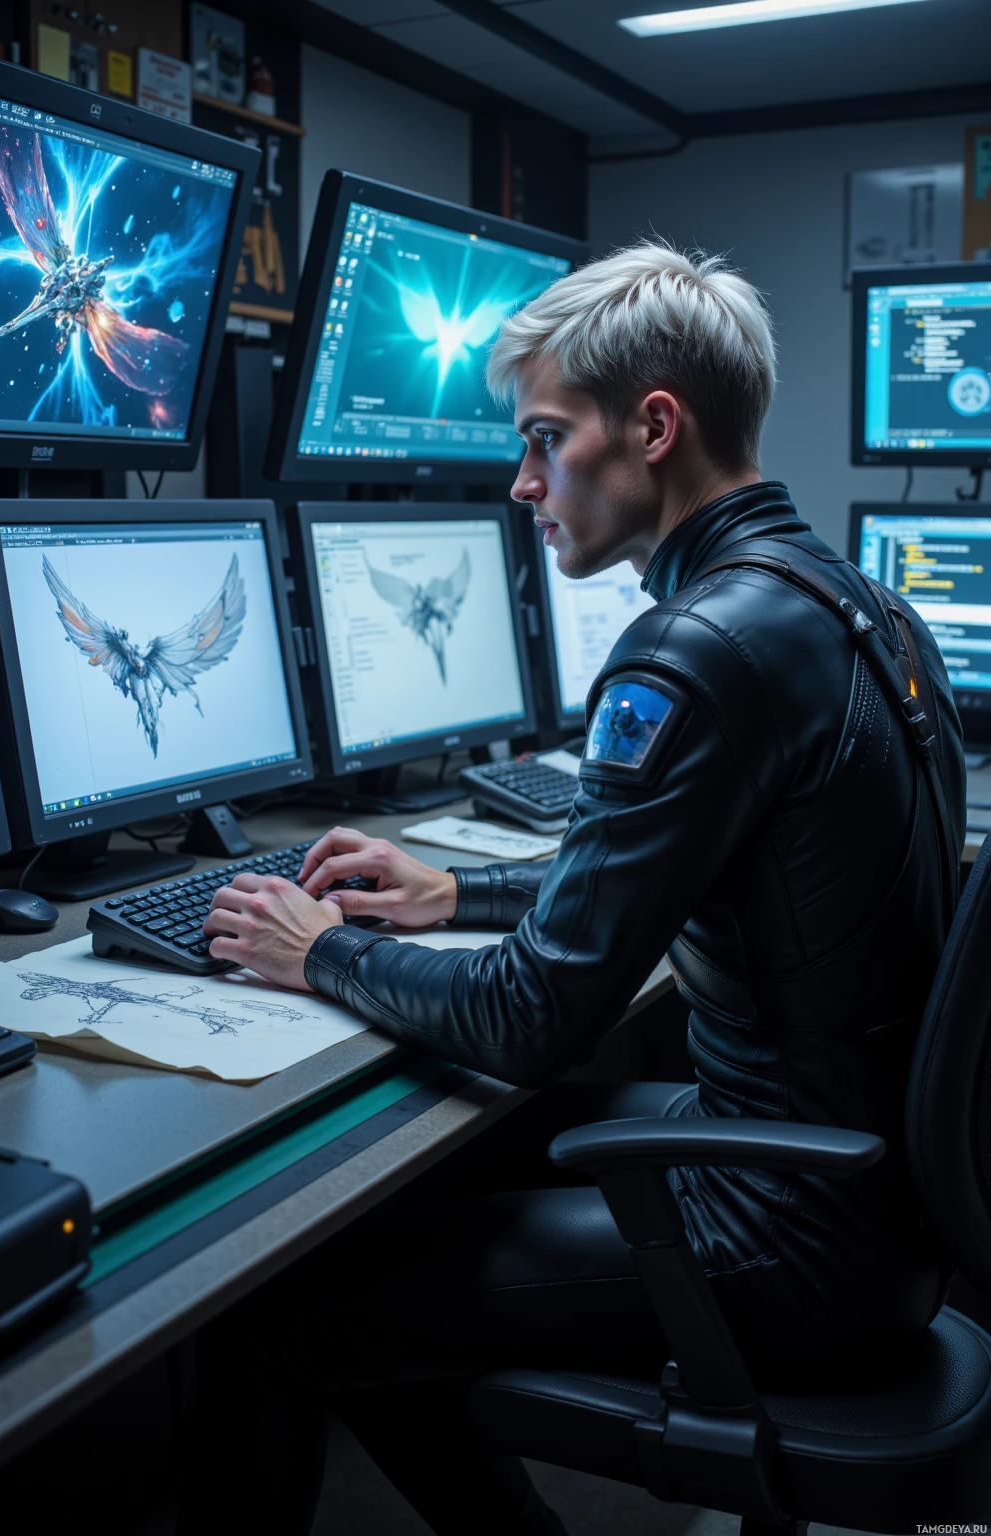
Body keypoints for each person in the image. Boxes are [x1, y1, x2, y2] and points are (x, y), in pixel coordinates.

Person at [182, 243, 965, 1535]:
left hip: (789, 1235)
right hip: (870, 1185)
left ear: (655, 427)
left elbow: (535, 1024)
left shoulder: (694, 647)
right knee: (410, 1212)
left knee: (282, 1316)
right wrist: (453, 898)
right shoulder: (851, 604)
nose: (522, 481)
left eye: (547, 438)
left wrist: (317, 948)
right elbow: (697, 862)